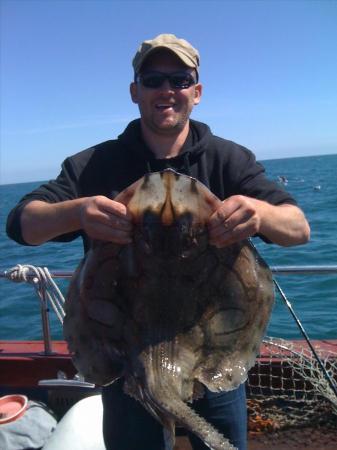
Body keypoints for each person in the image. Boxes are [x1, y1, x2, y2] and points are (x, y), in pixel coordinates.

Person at [6, 34, 310, 450]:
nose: (167, 90)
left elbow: (298, 229)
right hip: (126, 359)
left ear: (196, 92)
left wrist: (259, 214)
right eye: (153, 79)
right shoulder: (94, 165)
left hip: (211, 356)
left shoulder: (229, 160)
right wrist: (77, 212)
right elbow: (21, 225)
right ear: (135, 91)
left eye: (180, 79)